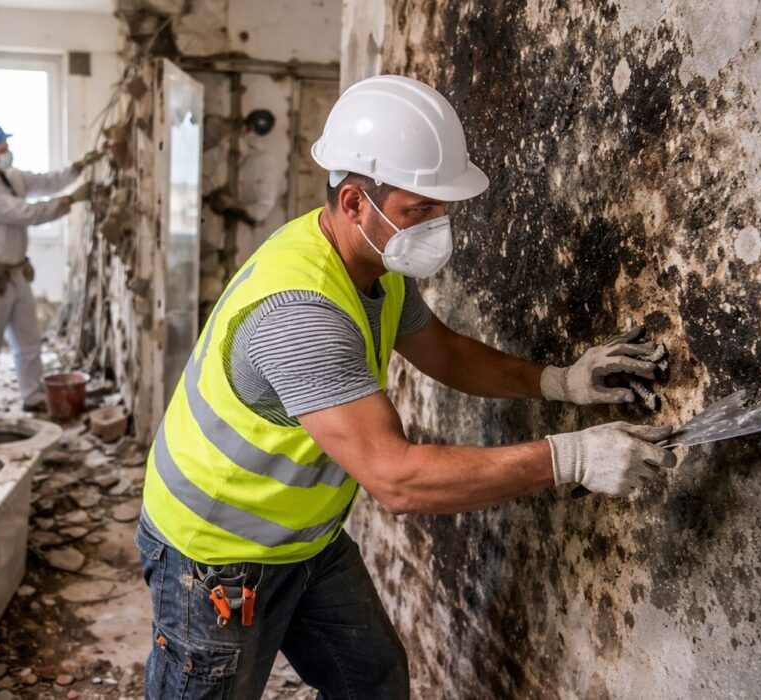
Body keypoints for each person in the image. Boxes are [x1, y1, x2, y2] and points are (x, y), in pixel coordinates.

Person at [136, 76, 676, 699]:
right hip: (217, 554)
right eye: (418, 211)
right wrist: (573, 456)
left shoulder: (370, 266)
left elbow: (442, 351)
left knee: (374, 682)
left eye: (441, 209)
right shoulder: (302, 312)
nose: (438, 228)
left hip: (303, 539)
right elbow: (397, 479)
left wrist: (559, 381)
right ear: (354, 203)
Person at [0, 120, 97, 417]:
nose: (8, 151)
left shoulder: (10, 177)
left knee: (28, 340)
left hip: (16, 273)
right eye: (1, 147)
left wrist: (78, 168)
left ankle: (33, 396)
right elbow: (27, 213)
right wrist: (71, 200)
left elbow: (46, 182)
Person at [207, 108, 281, 225]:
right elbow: (207, 163)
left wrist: (232, 204)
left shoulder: (266, 163)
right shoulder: (229, 143)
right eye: (248, 128)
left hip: (222, 217)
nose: (249, 133)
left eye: (253, 130)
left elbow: (263, 208)